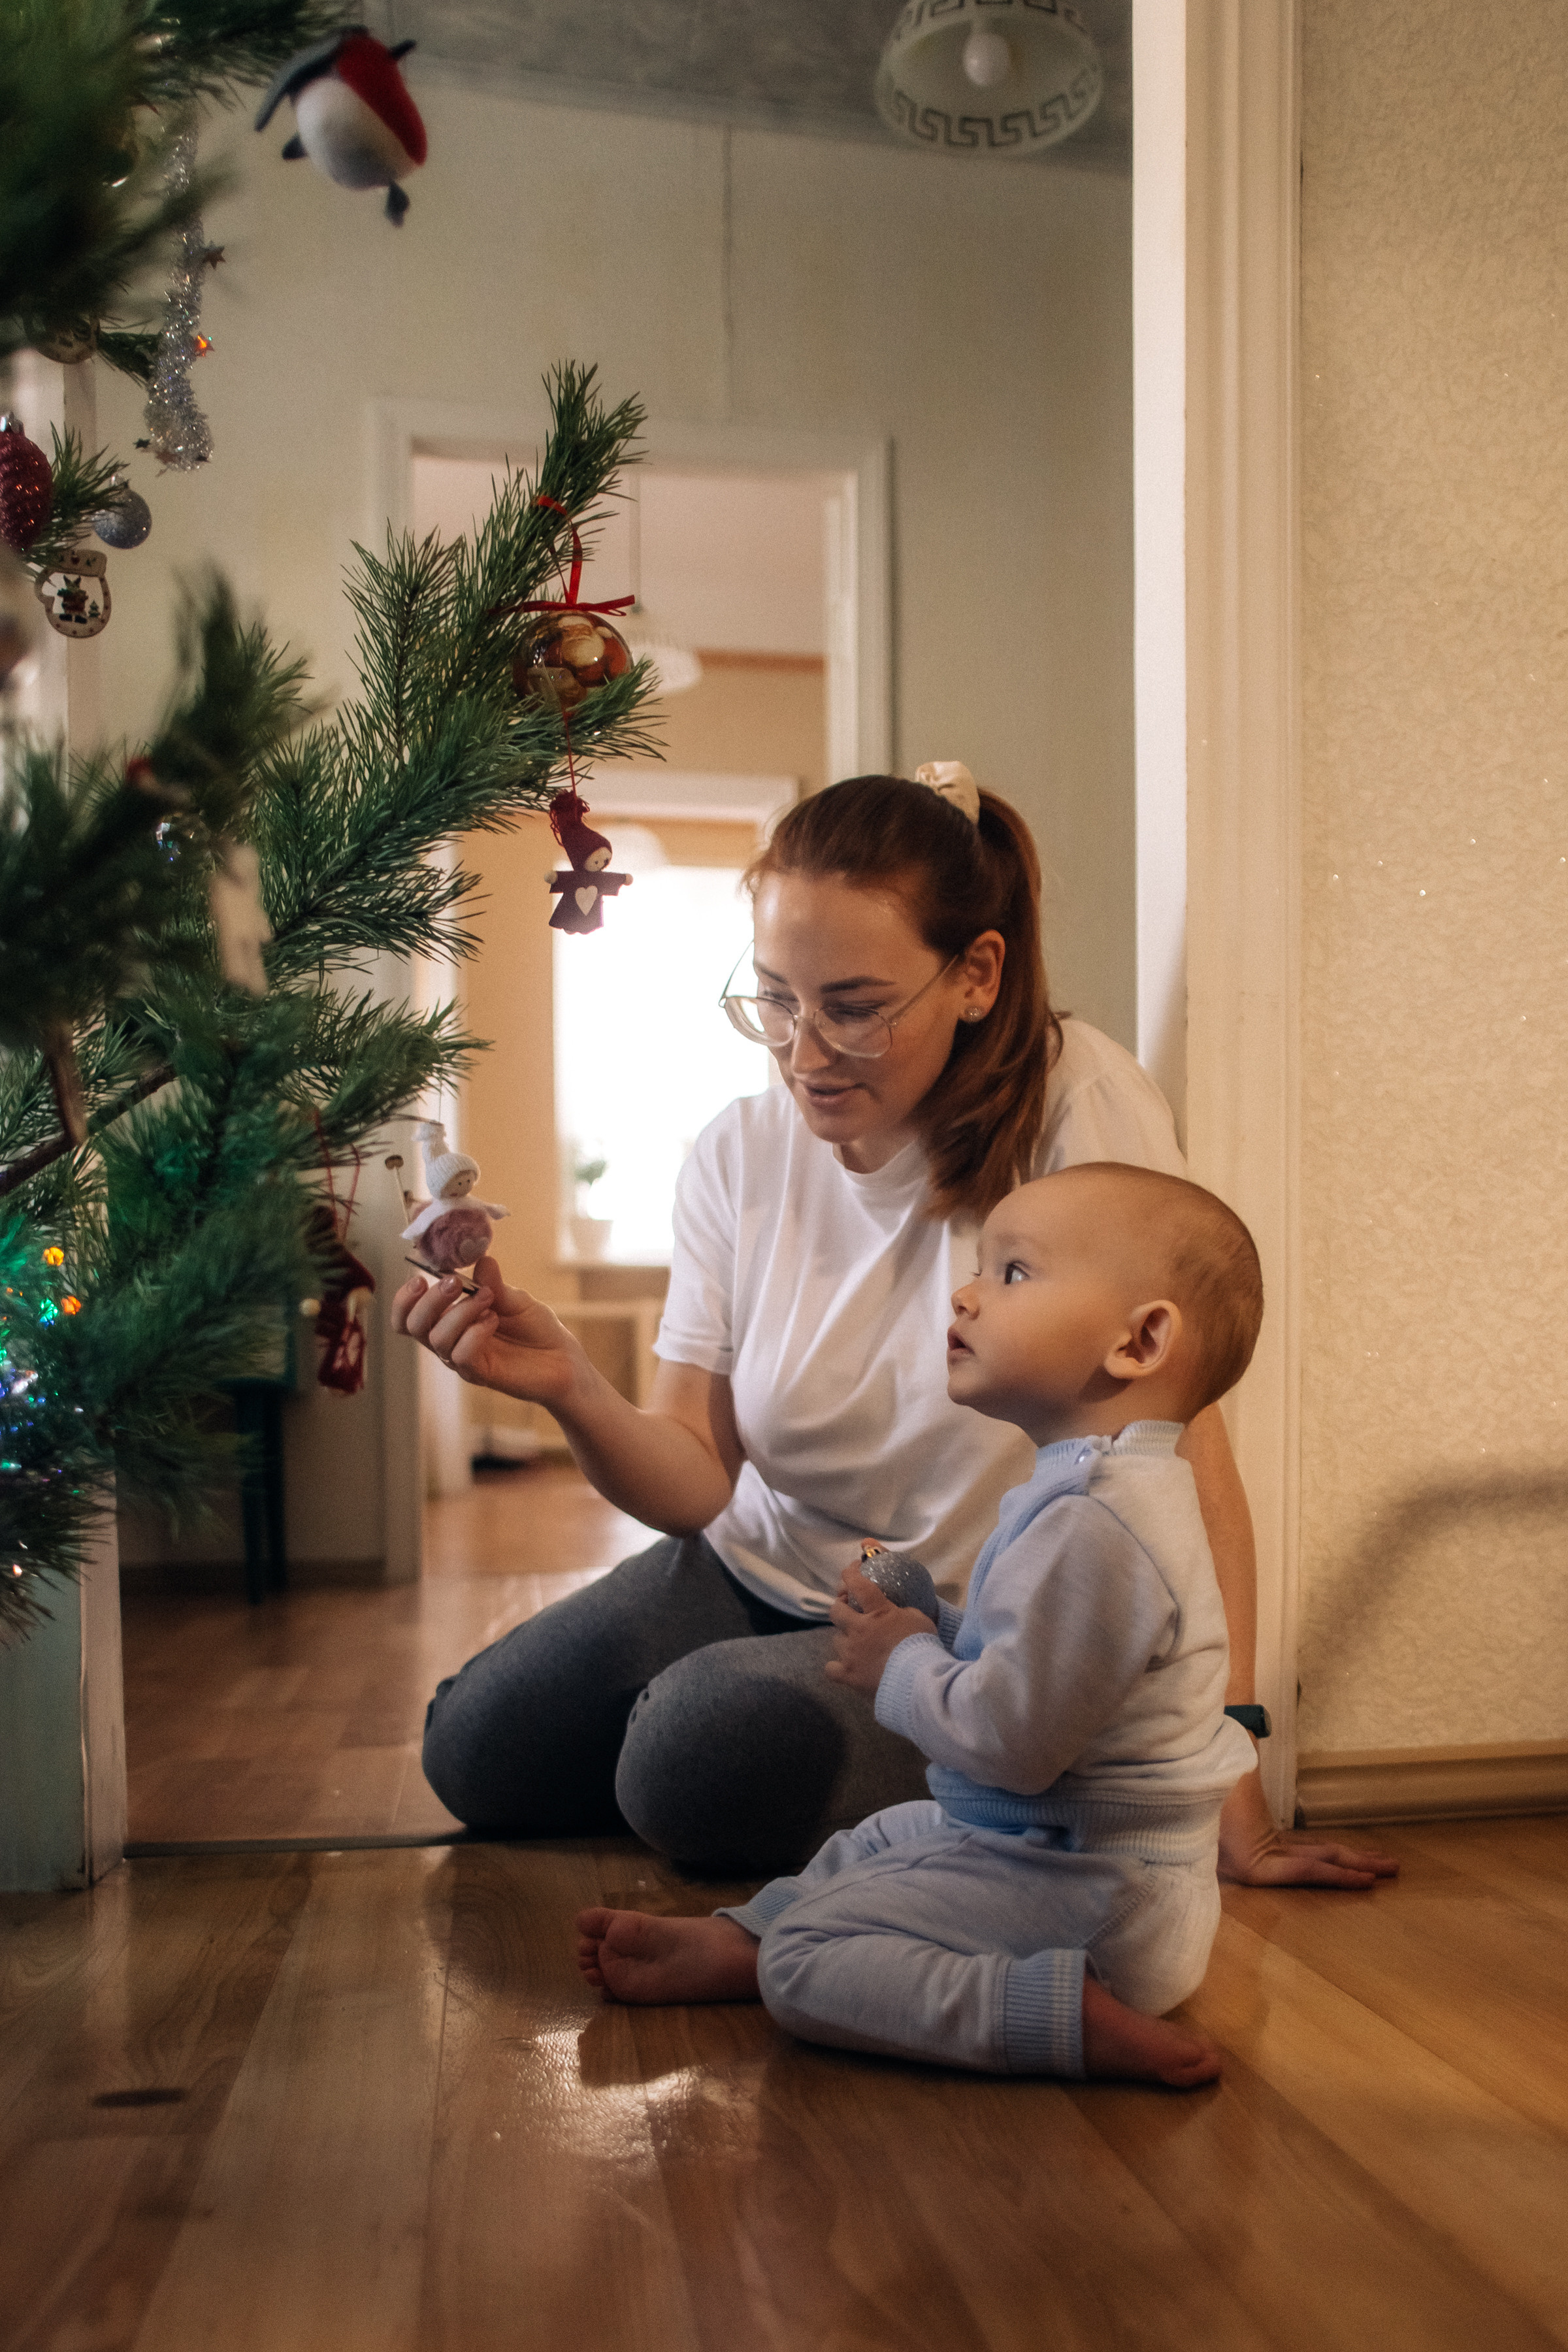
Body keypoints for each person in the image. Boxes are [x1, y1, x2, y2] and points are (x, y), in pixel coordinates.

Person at [394, 766, 1396, 1890]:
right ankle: (841, 1745)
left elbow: (1181, 1440)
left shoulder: (1079, 1108)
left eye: (854, 1008)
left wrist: (1228, 1766)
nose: (803, 1054)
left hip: (965, 1632)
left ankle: (1031, 1754)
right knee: (470, 1752)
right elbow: (694, 1484)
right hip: (760, 1567)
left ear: (975, 974)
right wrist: (570, 1386)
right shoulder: (736, 1152)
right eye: (775, 997)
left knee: (685, 1761)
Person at [574, 1163, 1265, 2085]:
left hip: (1101, 1901)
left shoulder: (1101, 1525)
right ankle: (740, 1941)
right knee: (880, 1838)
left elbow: (1012, 1744)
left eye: (1013, 1274)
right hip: (1059, 1855)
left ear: (1139, 1341)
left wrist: (902, 1660)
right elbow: (1025, 1661)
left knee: (806, 1966)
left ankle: (1059, 2013)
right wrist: (927, 1612)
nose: (968, 1295)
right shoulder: (1086, 1491)